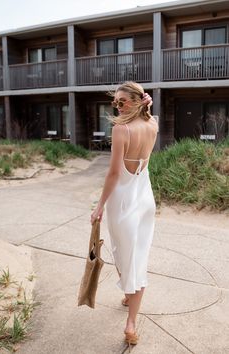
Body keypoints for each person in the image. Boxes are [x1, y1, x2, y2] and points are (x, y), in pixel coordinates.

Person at [90, 81, 158, 350]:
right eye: (115, 103)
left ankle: (131, 324)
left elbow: (114, 174)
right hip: (145, 199)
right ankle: (131, 305)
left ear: (136, 100)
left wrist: (99, 206)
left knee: (124, 254)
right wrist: (147, 109)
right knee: (137, 256)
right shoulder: (153, 124)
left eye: (122, 102)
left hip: (123, 202)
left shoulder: (121, 130)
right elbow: (149, 118)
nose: (117, 107)